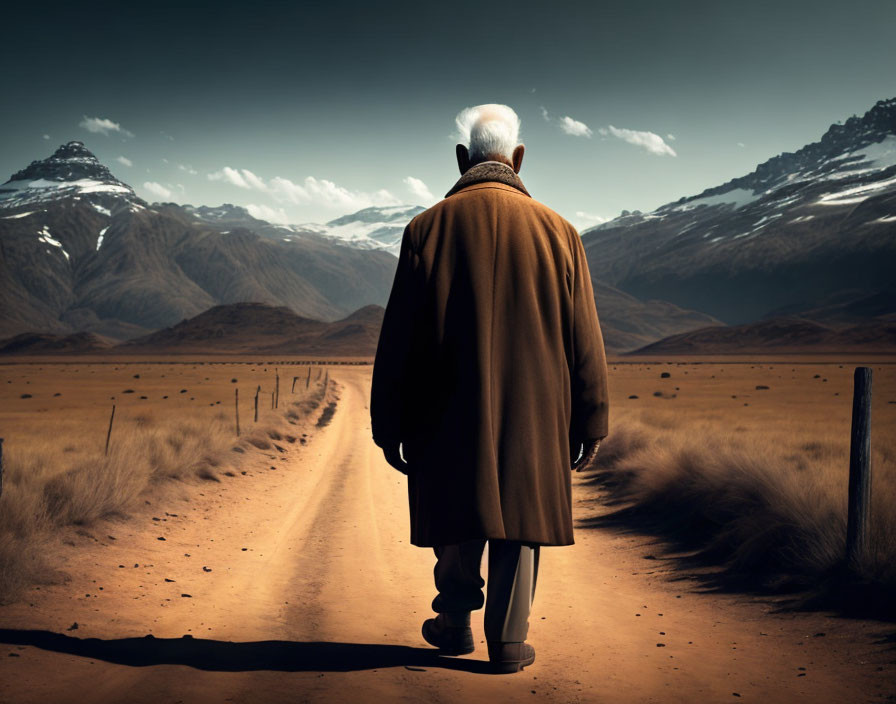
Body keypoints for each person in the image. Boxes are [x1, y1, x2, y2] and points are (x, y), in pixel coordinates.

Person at [369, 103, 609, 674]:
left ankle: (454, 623)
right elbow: (585, 339)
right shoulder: (561, 233)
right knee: (521, 520)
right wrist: (591, 419)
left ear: (461, 159)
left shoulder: (424, 229)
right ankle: (508, 639)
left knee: (455, 508)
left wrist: (389, 424)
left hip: (444, 409)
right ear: (519, 158)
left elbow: (397, 336)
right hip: (535, 410)